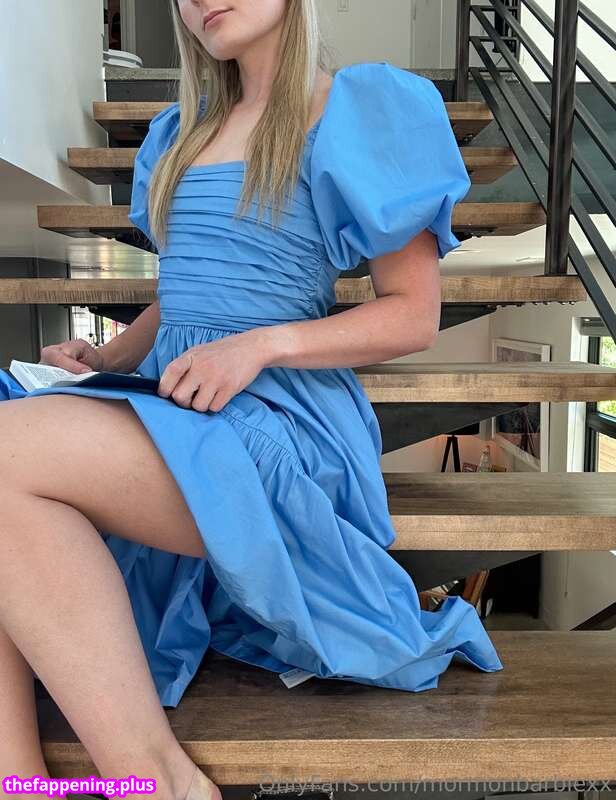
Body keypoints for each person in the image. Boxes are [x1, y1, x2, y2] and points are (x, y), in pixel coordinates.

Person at [0, 0, 504, 797]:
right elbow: (185, 294)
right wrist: (103, 357)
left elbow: (414, 315)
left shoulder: (359, 108)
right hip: (179, 402)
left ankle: (158, 781)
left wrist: (262, 345)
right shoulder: (181, 131)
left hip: (279, 421)